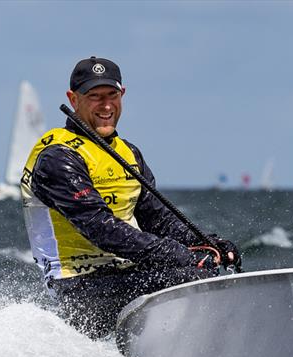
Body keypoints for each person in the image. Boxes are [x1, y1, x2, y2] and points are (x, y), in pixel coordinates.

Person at [20, 56, 240, 338]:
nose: (106, 105)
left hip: (124, 273)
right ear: (73, 99)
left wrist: (208, 243)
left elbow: (159, 221)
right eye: (95, 96)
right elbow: (100, 228)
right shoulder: (57, 157)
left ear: (122, 94)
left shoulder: (128, 153)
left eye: (112, 95)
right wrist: (178, 255)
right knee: (192, 277)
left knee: (209, 272)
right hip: (75, 287)